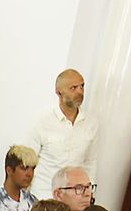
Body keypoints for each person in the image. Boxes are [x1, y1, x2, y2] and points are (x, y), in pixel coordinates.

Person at [28, 69, 98, 199]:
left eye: (82, 86)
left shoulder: (91, 123)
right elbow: (28, 161)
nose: (80, 92)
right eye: (73, 88)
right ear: (59, 92)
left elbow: (90, 161)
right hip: (43, 195)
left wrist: (89, 192)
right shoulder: (43, 120)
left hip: (74, 198)